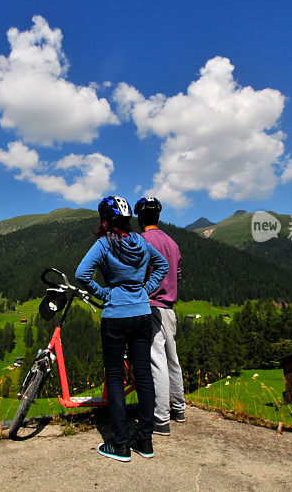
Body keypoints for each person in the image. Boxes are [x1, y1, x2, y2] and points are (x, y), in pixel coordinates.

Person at [75, 195, 168, 462]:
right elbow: (161, 265)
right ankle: (145, 441)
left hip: (115, 316)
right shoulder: (141, 241)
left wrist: (105, 294)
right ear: (128, 219)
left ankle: (120, 444)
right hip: (142, 314)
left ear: (105, 220)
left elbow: (82, 274)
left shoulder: (104, 244)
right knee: (144, 375)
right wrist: (145, 290)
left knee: (115, 377)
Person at [135, 197, 186, 436]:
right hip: (169, 309)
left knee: (156, 362)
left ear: (140, 217)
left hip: (150, 307)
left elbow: (137, 274)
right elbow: (178, 273)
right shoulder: (172, 243)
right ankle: (179, 409)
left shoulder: (142, 241)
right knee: (172, 359)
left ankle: (161, 419)